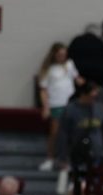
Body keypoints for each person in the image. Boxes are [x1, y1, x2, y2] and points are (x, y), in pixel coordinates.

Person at [57, 80, 103, 168]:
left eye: (95, 97)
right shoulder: (70, 110)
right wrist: (62, 156)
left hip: (97, 151)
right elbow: (63, 134)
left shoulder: (100, 109)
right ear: (83, 94)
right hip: (77, 151)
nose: (93, 100)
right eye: (91, 97)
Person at [37, 42, 80, 171]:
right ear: (54, 55)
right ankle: (50, 158)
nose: (63, 57)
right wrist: (46, 107)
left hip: (71, 104)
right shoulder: (48, 69)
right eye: (60, 54)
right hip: (56, 103)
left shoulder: (70, 65)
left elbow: (78, 79)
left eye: (64, 54)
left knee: (71, 133)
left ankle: (65, 160)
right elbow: (43, 90)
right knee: (55, 133)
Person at [68, 23, 103, 88]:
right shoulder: (100, 42)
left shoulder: (76, 41)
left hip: (81, 74)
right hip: (99, 75)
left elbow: (70, 58)